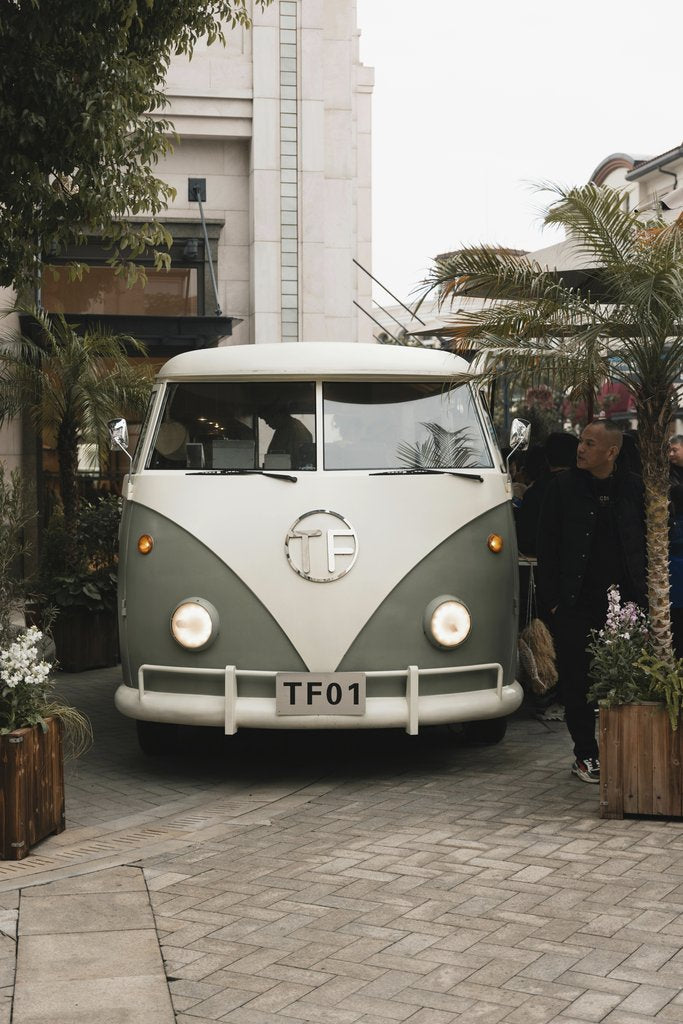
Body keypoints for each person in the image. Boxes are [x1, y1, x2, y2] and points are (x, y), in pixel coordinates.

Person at [537, 420, 646, 783]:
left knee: (627, 678)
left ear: (612, 452)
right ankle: (586, 754)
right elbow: (547, 546)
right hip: (574, 603)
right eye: (581, 441)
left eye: (590, 443)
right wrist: (553, 602)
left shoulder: (634, 488)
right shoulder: (562, 488)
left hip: (626, 604)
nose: (580, 449)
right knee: (577, 681)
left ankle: (626, 750)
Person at [668, 435, 683, 657]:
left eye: (674, 450)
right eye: (668, 451)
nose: (671, 455)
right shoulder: (666, 477)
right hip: (674, 551)